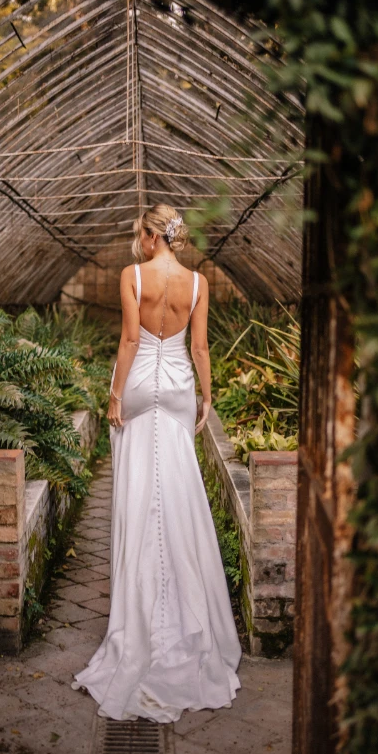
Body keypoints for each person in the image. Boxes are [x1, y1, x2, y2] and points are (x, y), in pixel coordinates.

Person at [70, 203, 242, 723]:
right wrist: (206, 398)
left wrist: (116, 395)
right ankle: (188, 619)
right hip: (181, 387)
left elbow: (128, 339)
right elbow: (201, 346)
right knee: (181, 492)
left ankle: (140, 618)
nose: (139, 242)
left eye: (139, 235)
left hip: (142, 382)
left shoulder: (133, 275)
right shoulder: (196, 283)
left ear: (150, 236)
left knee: (141, 493)